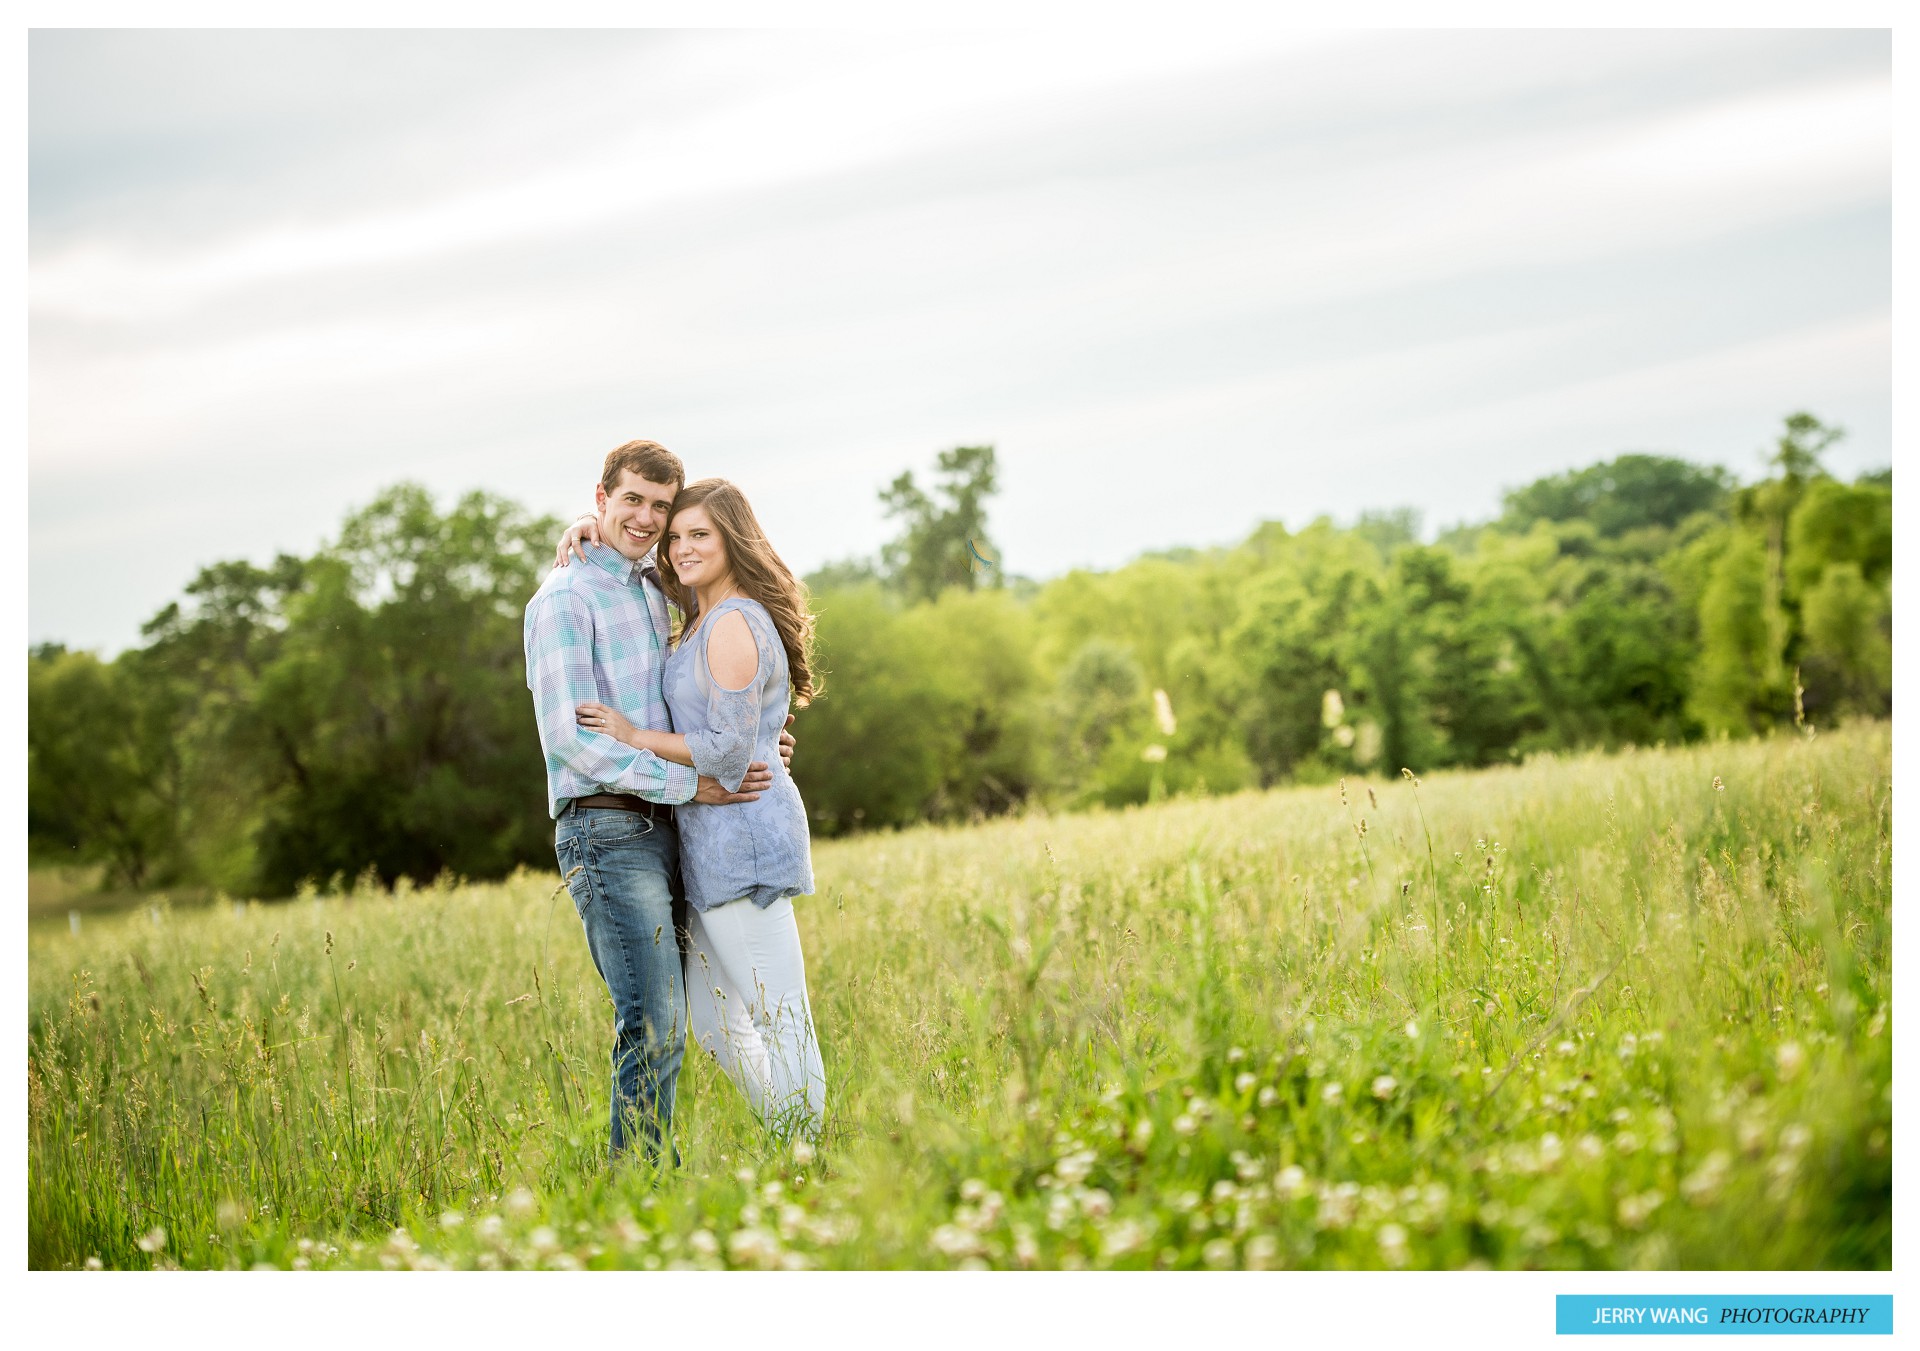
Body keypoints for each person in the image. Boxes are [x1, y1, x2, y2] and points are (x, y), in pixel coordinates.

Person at [524, 439, 792, 1165]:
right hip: (606, 827)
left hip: (672, 826)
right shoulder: (562, 600)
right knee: (654, 1018)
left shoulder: (649, 591)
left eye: (660, 506)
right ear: (603, 496)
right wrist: (695, 782)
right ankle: (635, 1195)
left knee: (689, 1017)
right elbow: (572, 744)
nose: (646, 519)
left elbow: (704, 692)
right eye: (630, 500)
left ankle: (654, 1187)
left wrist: (755, 744)